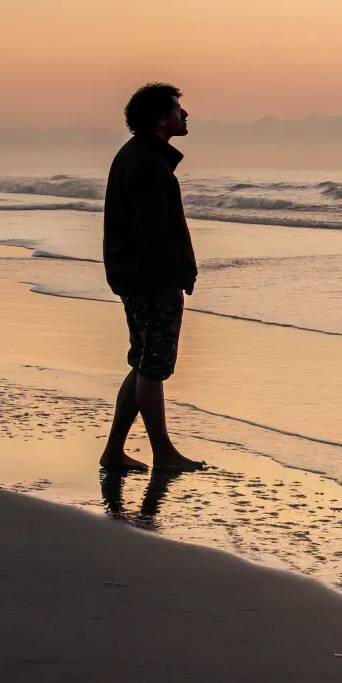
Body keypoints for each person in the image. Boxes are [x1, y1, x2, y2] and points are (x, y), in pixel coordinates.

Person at [98, 83, 207, 472]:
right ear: (161, 118)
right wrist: (178, 274)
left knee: (143, 362)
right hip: (151, 280)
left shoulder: (138, 157)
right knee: (153, 367)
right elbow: (155, 232)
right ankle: (164, 453)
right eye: (178, 108)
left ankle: (113, 451)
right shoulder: (146, 163)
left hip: (134, 276)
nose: (185, 114)